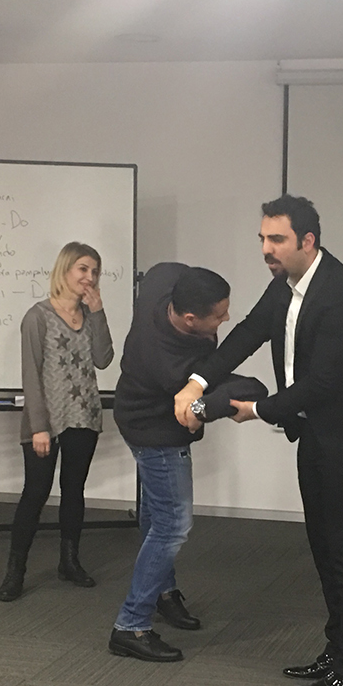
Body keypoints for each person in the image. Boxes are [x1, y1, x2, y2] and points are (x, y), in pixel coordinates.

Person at [174, 195, 343, 686]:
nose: (266, 249)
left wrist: (256, 409)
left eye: (276, 239)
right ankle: (337, 650)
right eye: (262, 238)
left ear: (308, 241)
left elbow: (322, 383)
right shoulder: (286, 284)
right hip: (317, 434)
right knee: (324, 548)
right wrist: (197, 382)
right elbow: (248, 334)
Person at [109, 264, 264, 662]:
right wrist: (211, 405)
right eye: (219, 315)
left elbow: (164, 269)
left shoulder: (162, 283)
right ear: (191, 318)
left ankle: (162, 593)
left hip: (131, 413)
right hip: (156, 433)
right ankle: (131, 625)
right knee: (173, 525)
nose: (226, 319)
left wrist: (205, 400)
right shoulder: (169, 363)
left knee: (155, 515)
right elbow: (240, 391)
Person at [0, 242, 116, 601]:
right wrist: (39, 426)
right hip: (46, 419)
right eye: (83, 269)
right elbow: (31, 375)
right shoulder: (38, 316)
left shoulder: (90, 315)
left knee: (73, 490)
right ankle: (15, 571)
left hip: (84, 415)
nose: (90, 277)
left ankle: (69, 561)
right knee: (35, 493)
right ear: (65, 270)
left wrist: (99, 312)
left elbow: (104, 359)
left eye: (95, 271)